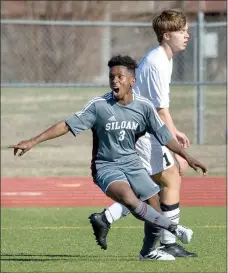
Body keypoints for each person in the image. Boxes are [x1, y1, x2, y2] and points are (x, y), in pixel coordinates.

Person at [8, 55, 207, 260]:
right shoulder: (99, 106)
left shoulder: (144, 107)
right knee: (129, 199)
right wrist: (33, 141)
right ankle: (175, 228)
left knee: (154, 207)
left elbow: (165, 136)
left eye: (120, 76)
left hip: (133, 164)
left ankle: (148, 253)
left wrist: (187, 156)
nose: (115, 81)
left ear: (132, 81)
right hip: (106, 166)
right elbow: (66, 125)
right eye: (112, 76)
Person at [89, 10, 198, 258]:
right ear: (167, 35)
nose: (187, 35)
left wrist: (175, 131)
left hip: (146, 132)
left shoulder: (163, 59)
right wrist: (175, 150)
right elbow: (159, 111)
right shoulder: (158, 62)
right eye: (182, 32)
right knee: (168, 179)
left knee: (152, 187)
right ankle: (166, 243)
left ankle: (106, 217)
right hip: (145, 136)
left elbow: (159, 108)